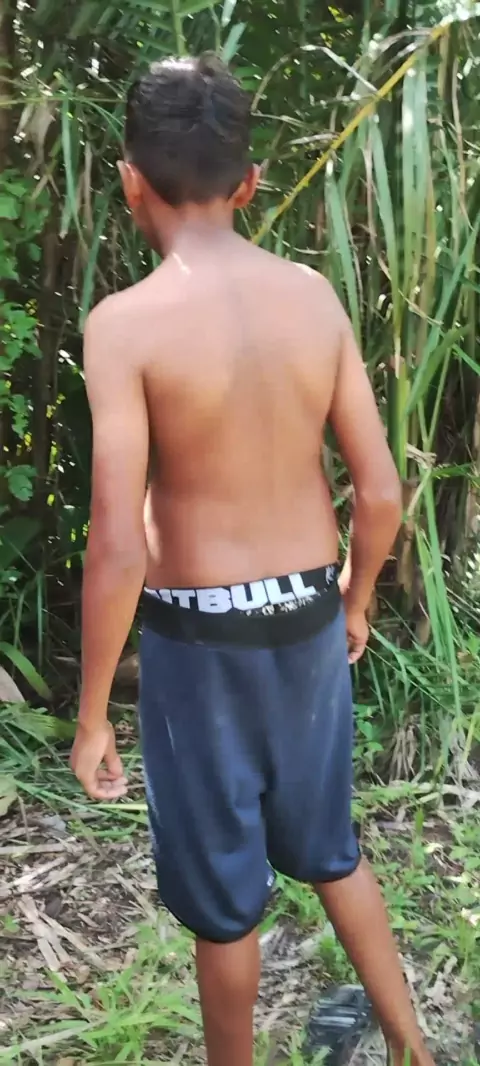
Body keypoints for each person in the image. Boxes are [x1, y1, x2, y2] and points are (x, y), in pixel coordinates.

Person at [70, 54, 435, 1066]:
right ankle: (414, 1047)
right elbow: (379, 492)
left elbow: (117, 538)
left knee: (224, 902)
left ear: (129, 179)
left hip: (200, 646)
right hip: (309, 616)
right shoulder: (312, 297)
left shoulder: (124, 326)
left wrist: (93, 713)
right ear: (250, 183)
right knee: (331, 847)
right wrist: (356, 599)